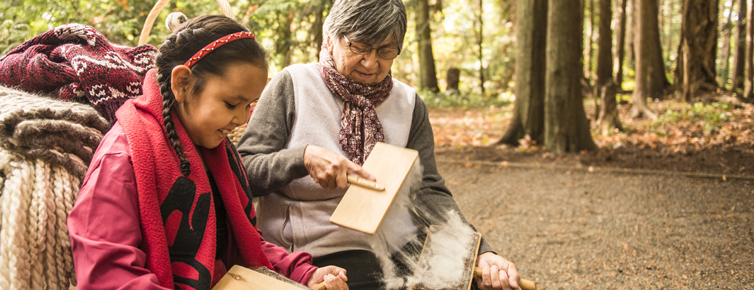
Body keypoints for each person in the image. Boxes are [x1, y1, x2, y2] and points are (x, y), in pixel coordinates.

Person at [237, 0, 524, 289]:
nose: (371, 63)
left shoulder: (409, 104)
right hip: (318, 248)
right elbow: (242, 172)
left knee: (472, 281)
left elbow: (427, 189)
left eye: (385, 51)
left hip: (397, 243)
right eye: (358, 47)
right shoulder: (294, 85)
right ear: (330, 38)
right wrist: (302, 159)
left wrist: (480, 250)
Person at [67, 14, 348, 290]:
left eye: (249, 105)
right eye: (231, 103)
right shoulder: (123, 159)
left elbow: (244, 241)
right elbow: (107, 273)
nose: (242, 118)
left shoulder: (218, 153)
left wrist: (302, 274)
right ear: (183, 84)